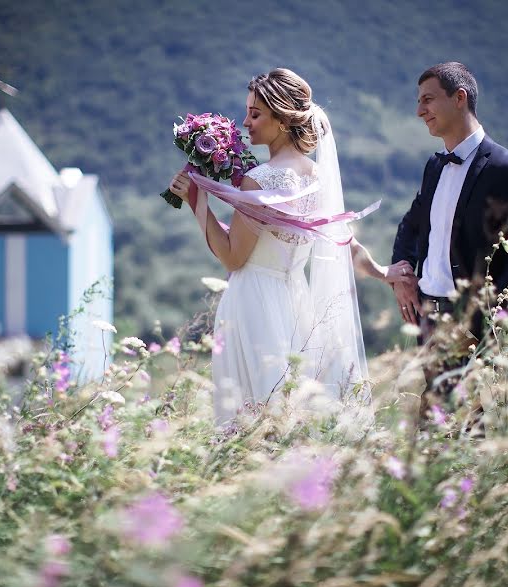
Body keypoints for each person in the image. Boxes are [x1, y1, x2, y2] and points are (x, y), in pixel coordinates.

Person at [168, 68, 408, 425]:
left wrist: (195, 200)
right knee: (290, 411)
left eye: (255, 113)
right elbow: (343, 239)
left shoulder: (259, 179)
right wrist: (382, 272)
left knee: (251, 419)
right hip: (295, 301)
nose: (245, 122)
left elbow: (234, 257)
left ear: (281, 119)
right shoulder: (316, 175)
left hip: (252, 303)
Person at [390, 62, 508, 427]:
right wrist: (402, 275)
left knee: (489, 442)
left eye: (428, 99)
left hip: (486, 330)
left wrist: (475, 316)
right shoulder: (434, 165)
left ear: (459, 98)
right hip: (430, 320)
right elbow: (411, 227)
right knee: (442, 440)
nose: (419, 110)